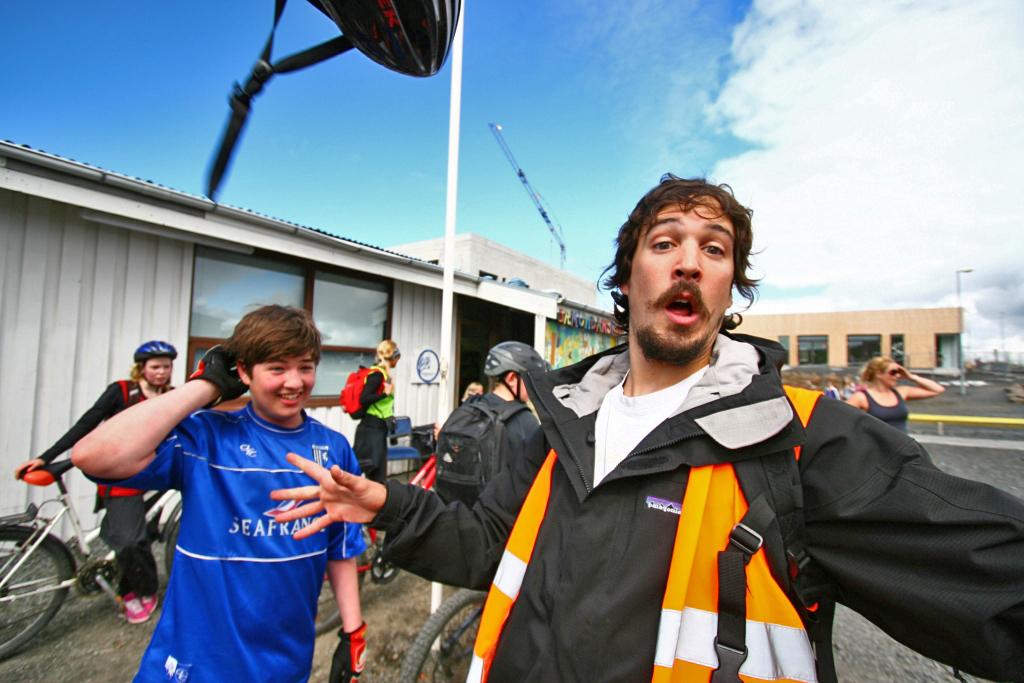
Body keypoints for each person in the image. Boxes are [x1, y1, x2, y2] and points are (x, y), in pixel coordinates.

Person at [270, 176, 1024, 683]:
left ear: (729, 290)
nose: (689, 262)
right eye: (665, 243)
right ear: (627, 279)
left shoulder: (803, 441)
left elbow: (989, 575)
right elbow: (489, 544)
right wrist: (391, 506)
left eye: (714, 249)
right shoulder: (555, 426)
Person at [72, 306, 367, 683]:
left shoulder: (334, 448)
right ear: (243, 371)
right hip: (193, 666)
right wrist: (204, 387)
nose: (294, 382)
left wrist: (353, 631)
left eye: (305, 367)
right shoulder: (205, 436)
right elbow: (92, 456)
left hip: (286, 665)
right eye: (277, 368)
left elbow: (340, 546)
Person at [14, 340, 177, 624]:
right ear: (141, 368)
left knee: (144, 534)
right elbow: (86, 424)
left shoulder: (173, 396)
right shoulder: (121, 392)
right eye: (155, 367)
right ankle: (143, 590)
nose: (162, 372)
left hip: (155, 474)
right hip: (122, 477)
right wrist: (45, 457)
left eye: (166, 367)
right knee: (130, 541)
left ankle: (127, 578)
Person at [434, 342, 546, 506]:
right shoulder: (525, 420)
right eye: (530, 378)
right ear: (512, 378)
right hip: (498, 515)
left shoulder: (470, 405)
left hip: (456, 509)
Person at [846, 356, 944, 432]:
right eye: (893, 372)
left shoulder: (901, 392)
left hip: (902, 448)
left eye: (899, 372)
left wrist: (911, 376)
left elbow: (937, 390)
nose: (897, 375)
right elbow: (840, 417)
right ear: (878, 374)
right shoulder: (861, 397)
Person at [353, 340, 400, 485]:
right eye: (397, 356)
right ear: (393, 356)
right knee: (364, 470)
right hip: (370, 429)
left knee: (376, 475)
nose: (398, 360)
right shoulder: (377, 375)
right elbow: (364, 398)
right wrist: (385, 394)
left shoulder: (384, 374)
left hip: (378, 428)